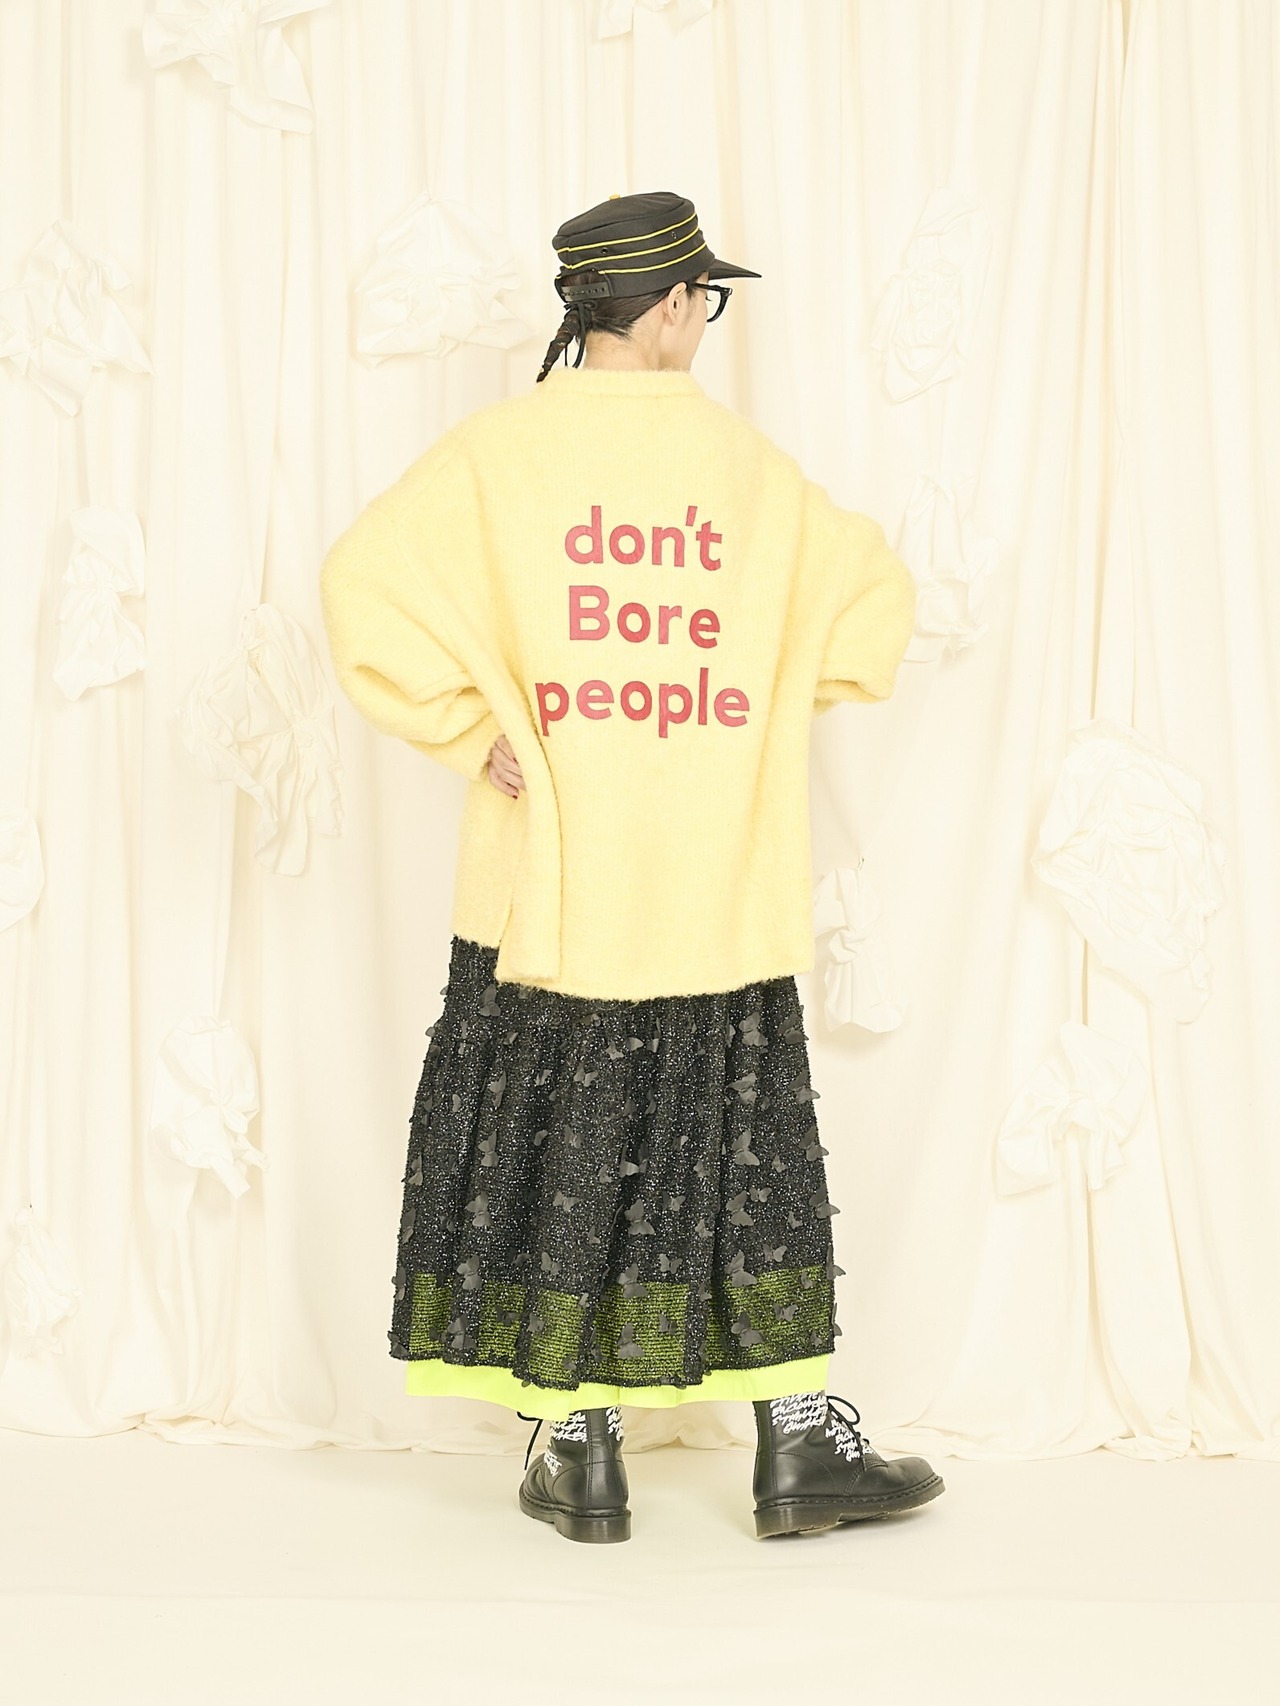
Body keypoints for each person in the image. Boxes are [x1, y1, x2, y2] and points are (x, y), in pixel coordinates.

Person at [319, 190, 944, 1544]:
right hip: (714, 885)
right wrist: (760, 696)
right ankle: (797, 1441)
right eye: (701, 300)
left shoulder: (497, 456)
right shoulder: (749, 475)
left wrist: (471, 728)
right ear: (666, 307)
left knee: (566, 1154)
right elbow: (875, 611)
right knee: (744, 1159)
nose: (703, 322)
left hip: (553, 891)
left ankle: (580, 1447)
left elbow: (360, 583)